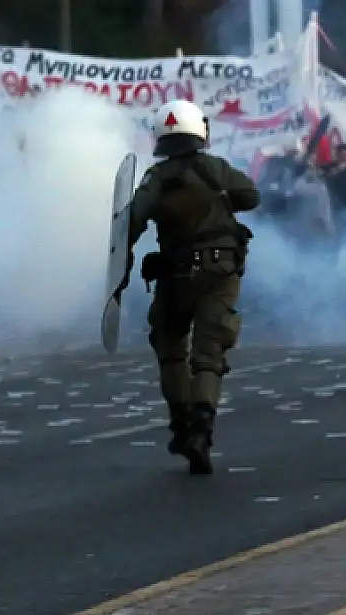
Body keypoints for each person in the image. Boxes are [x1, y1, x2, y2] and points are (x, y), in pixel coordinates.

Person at [115, 99, 259, 474]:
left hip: (176, 276)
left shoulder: (157, 178)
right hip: (221, 274)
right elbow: (251, 195)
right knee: (209, 353)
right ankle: (201, 431)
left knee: (171, 347)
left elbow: (131, 221)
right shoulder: (216, 169)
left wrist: (122, 263)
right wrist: (221, 197)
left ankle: (181, 425)